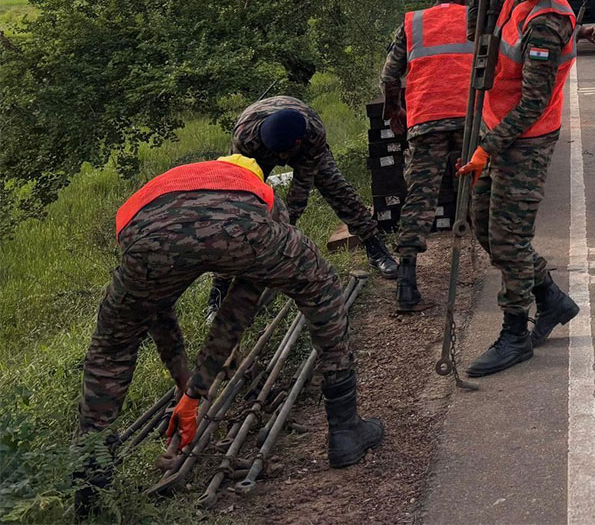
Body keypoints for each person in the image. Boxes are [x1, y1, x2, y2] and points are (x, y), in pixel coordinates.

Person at [75, 154, 380, 514]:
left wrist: (188, 388)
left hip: (145, 238)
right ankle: (345, 431)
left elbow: (156, 311)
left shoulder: (158, 190)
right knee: (322, 288)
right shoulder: (260, 193)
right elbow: (241, 303)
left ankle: (90, 491)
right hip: (241, 230)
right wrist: (193, 392)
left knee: (110, 352)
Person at [461, 0, 595, 377]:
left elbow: (533, 103)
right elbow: (475, 32)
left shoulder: (547, 21)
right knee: (486, 230)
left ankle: (515, 334)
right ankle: (551, 299)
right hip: (496, 129)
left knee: (509, 239)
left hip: (525, 140)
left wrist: (487, 147)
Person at [378, 0, 478, 313]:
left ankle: (407, 287)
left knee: (419, 200)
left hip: (425, 120)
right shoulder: (476, 19)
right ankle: (506, 269)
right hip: (470, 120)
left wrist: (395, 112)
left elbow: (390, 77)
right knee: (480, 188)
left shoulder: (413, 22)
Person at [231, 97, 398, 279]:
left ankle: (375, 248)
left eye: (285, 154)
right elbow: (242, 187)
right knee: (248, 202)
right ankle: (238, 268)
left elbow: (301, 186)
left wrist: (287, 228)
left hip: (304, 144)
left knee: (338, 189)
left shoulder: (313, 132)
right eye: (278, 155)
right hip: (259, 153)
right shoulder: (245, 139)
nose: (283, 159)